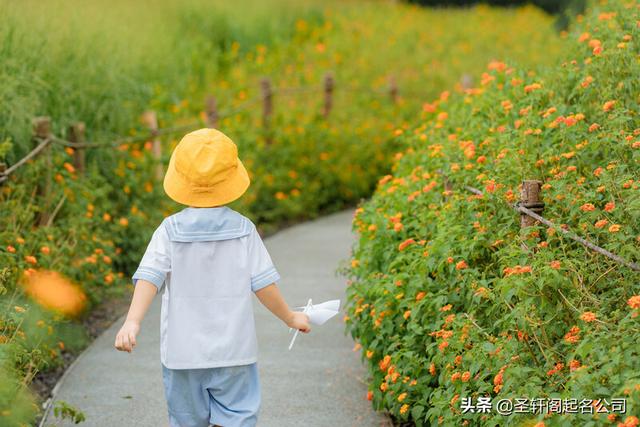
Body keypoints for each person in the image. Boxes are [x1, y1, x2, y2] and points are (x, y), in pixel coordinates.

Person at [114, 128, 311, 427]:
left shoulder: (169, 230)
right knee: (237, 417)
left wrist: (133, 321)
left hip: (182, 355)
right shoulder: (244, 230)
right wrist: (290, 317)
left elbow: (150, 278)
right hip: (235, 352)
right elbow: (263, 285)